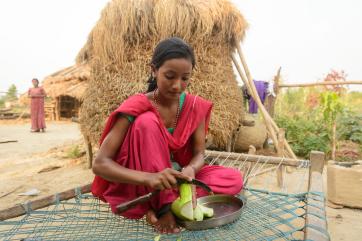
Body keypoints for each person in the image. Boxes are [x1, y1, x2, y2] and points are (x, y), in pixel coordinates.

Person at [91, 37, 243, 234]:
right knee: (146, 122)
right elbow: (100, 164)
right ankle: (165, 207)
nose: (177, 86)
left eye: (185, 78)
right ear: (154, 70)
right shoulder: (136, 107)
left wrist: (190, 169)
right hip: (144, 180)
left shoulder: (193, 107)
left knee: (233, 179)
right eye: (170, 76)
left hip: (177, 179)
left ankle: (165, 203)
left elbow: (199, 154)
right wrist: (149, 178)